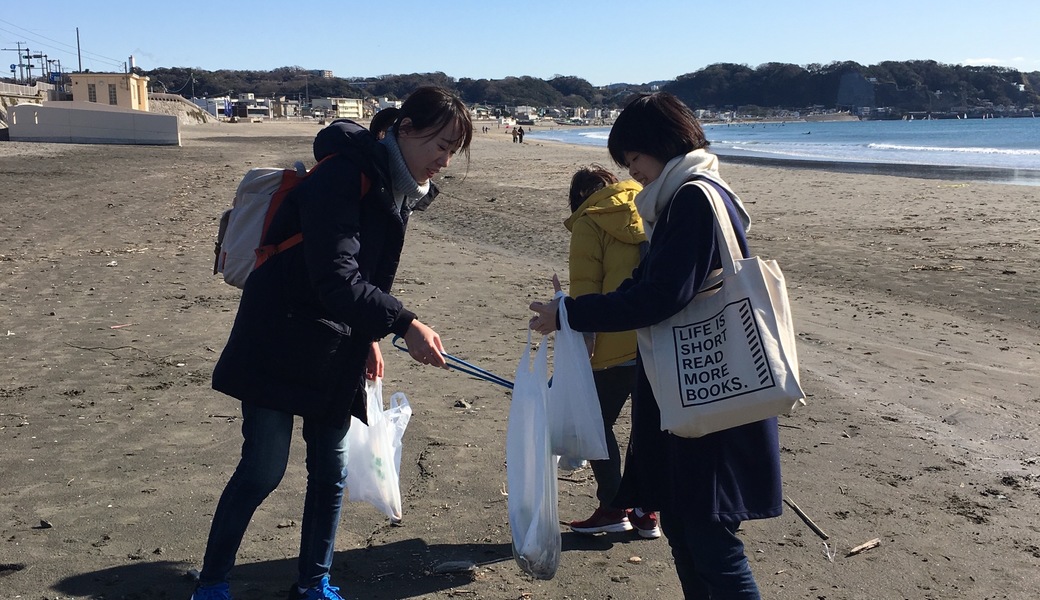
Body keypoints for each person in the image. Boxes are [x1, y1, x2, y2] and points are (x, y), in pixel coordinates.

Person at [192, 86, 473, 600]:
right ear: (405, 129)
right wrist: (404, 323)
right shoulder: (346, 173)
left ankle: (315, 581)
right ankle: (212, 583)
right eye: (441, 144)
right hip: (278, 335)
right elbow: (337, 277)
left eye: (454, 151)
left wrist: (370, 337)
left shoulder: (396, 187)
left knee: (330, 470)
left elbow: (369, 277)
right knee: (263, 468)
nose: (444, 160)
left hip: (336, 342)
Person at [529, 92, 782, 599]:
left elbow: (662, 296)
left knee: (710, 539)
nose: (631, 172)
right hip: (691, 389)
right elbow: (647, 287)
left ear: (661, 145)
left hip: (706, 394)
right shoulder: (685, 195)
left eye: (633, 159)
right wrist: (573, 314)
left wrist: (575, 313)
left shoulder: (692, 198)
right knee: (688, 532)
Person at [561, 166, 660, 539]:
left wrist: (582, 345)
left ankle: (613, 505)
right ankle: (648, 510)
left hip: (614, 344)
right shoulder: (649, 205)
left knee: (596, 426)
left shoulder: (589, 221)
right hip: (656, 339)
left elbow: (586, 290)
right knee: (649, 426)